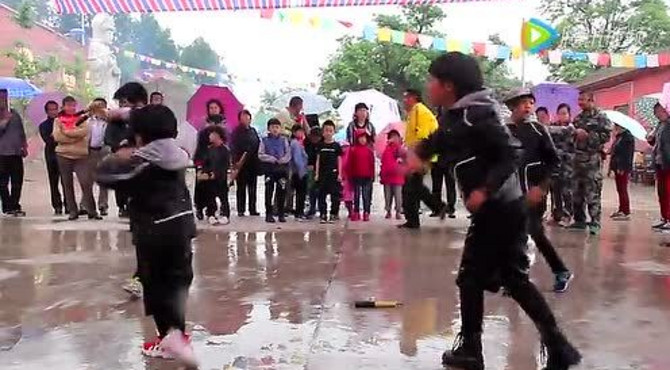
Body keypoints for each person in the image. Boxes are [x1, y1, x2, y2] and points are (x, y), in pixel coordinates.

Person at [413, 51, 580, 370]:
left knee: (489, 278)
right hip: (497, 210)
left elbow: (508, 155)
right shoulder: (457, 114)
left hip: (502, 209)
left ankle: (483, 350)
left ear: (448, 85)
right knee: (492, 279)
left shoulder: (481, 113)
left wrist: (484, 190)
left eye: (431, 80)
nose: (428, 85)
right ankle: (551, 348)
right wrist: (420, 152)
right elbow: (442, 138)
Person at [96, 104, 197, 367]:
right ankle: (178, 335)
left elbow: (106, 176)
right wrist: (129, 118)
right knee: (177, 283)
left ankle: (169, 338)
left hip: (155, 231)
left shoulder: (143, 162)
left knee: (156, 286)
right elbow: (155, 119)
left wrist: (119, 154)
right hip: (182, 228)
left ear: (140, 135)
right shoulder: (178, 153)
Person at [504, 88, 573, 293]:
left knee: (534, 230)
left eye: (530, 102)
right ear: (512, 107)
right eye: (523, 102)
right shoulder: (503, 132)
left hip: (534, 192)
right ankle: (517, 277)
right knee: (514, 234)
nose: (528, 106)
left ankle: (561, 271)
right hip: (511, 192)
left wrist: (541, 187)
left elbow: (554, 162)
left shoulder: (538, 130)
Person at [400, 88, 447, 229]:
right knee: (414, 188)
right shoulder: (414, 112)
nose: (404, 100)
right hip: (417, 156)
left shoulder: (419, 110)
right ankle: (417, 217)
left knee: (412, 188)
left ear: (413, 97)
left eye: (406, 97)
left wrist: (417, 156)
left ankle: (437, 207)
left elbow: (423, 134)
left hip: (421, 156)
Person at [569, 91, 612, 235]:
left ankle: (595, 222)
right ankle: (579, 220)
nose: (580, 102)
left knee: (592, 191)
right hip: (577, 159)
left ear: (591, 100)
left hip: (592, 159)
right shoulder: (578, 118)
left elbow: (606, 137)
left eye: (583, 99)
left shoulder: (601, 117)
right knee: (576, 191)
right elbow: (571, 137)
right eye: (579, 99)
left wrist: (588, 136)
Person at [53, 96, 101, 221]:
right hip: (63, 155)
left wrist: (67, 132)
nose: (71, 108)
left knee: (86, 183)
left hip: (81, 155)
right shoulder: (58, 120)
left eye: (73, 105)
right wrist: (72, 134)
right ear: (63, 107)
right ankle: (72, 211)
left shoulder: (82, 119)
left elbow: (83, 132)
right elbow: (58, 137)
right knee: (67, 184)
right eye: (68, 105)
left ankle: (92, 210)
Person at [107, 81, 148, 218]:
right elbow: (109, 136)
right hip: (122, 156)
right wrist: (120, 146)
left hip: (144, 157)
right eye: (120, 102)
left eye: (125, 102)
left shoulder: (151, 116)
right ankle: (122, 206)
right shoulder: (116, 119)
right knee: (122, 182)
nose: (122, 105)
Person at [193, 99, 225, 220]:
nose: (213, 110)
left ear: (220, 109)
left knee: (216, 185)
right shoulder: (203, 128)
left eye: (215, 107)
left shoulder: (225, 127)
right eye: (211, 108)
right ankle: (199, 208)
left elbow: (227, 145)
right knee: (201, 185)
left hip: (218, 161)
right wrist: (199, 163)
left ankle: (213, 210)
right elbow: (199, 146)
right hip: (204, 159)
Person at [0, 89, 27, 216]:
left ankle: (15, 205)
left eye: (5, 98)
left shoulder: (15, 113)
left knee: (17, 181)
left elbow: (21, 131)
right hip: (2, 154)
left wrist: (24, 145)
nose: (3, 101)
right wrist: (4, 121)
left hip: (16, 153)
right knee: (2, 183)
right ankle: (7, 206)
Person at [196, 125, 230, 225]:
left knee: (223, 197)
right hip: (210, 179)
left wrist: (215, 174)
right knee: (210, 196)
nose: (210, 136)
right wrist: (203, 172)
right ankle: (211, 214)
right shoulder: (208, 149)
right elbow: (204, 162)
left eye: (213, 134)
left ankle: (225, 215)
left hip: (221, 178)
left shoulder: (225, 150)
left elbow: (225, 166)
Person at [259, 118, 291, 223]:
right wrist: (271, 158)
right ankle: (269, 214)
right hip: (269, 169)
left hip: (282, 170)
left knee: (281, 191)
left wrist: (283, 160)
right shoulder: (264, 140)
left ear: (280, 129)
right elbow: (260, 154)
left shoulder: (284, 140)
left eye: (277, 127)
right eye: (273, 127)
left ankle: (281, 214)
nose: (275, 129)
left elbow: (288, 154)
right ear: (268, 128)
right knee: (269, 191)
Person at [548, 103, 575, 226]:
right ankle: (556, 214)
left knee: (566, 191)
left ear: (569, 115)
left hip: (567, 164)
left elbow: (565, 133)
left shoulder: (571, 128)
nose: (562, 116)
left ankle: (567, 215)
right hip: (555, 164)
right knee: (555, 191)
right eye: (560, 113)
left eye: (564, 113)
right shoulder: (552, 126)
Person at [231, 110, 260, 217]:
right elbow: (233, 147)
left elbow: (257, 143)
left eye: (248, 118)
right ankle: (241, 209)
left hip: (253, 163)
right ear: (240, 119)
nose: (246, 120)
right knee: (241, 187)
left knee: (253, 187)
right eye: (243, 118)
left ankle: (253, 209)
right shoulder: (236, 132)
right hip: (241, 163)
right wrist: (235, 162)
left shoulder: (253, 131)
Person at [39, 100, 65, 215]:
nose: (54, 112)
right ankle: (57, 205)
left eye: (56, 109)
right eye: (51, 110)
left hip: (64, 154)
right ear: (47, 112)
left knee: (66, 181)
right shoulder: (44, 125)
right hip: (51, 155)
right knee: (53, 182)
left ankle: (69, 204)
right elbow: (48, 140)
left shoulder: (63, 122)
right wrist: (59, 137)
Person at [431, 106, 457, 218]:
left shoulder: (454, 123)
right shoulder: (434, 121)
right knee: (437, 185)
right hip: (438, 158)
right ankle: (438, 208)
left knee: (449, 184)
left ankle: (450, 207)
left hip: (449, 158)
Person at [315, 120, 343, 224]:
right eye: (326, 130)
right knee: (321, 195)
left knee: (335, 195)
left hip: (334, 173)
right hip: (322, 174)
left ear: (334, 132)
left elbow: (339, 160)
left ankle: (333, 214)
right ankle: (323, 214)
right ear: (323, 132)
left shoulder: (336, 146)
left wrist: (340, 173)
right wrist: (317, 173)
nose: (328, 132)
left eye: (330, 130)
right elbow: (317, 160)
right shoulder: (320, 145)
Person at [648, 102, 670, 230]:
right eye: (655, 112)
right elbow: (657, 143)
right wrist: (651, 139)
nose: (657, 115)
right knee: (661, 192)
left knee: (668, 191)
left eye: (659, 111)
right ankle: (664, 217)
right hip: (659, 162)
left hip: (668, 162)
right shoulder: (659, 125)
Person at [87, 98, 110, 216]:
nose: (99, 109)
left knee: (104, 177)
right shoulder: (88, 120)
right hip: (90, 150)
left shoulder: (110, 120)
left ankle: (103, 205)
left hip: (105, 150)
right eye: (97, 106)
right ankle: (86, 204)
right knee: (88, 178)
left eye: (102, 106)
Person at [347, 129, 375, 221]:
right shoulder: (353, 150)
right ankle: (356, 212)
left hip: (367, 176)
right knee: (356, 195)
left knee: (366, 195)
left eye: (364, 137)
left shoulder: (369, 150)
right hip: (356, 176)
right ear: (357, 138)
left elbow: (372, 164)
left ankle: (366, 212)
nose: (363, 139)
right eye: (360, 137)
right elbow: (350, 163)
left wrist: (372, 175)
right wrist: (349, 175)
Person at [609, 124, 635, 220]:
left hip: (622, 167)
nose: (615, 129)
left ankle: (626, 211)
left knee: (623, 188)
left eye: (617, 127)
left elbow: (626, 155)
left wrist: (622, 167)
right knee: (619, 189)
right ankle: (621, 208)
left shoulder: (627, 138)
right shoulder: (619, 137)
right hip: (616, 166)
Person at [380, 129, 406, 220]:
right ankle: (388, 210)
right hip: (387, 176)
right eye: (391, 137)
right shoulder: (386, 148)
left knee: (398, 196)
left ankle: (398, 211)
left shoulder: (400, 148)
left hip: (397, 176)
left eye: (395, 137)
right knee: (388, 196)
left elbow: (404, 157)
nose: (393, 139)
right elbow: (383, 161)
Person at [289, 124, 309, 220]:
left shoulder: (298, 143)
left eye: (302, 131)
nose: (301, 133)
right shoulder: (295, 144)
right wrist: (302, 172)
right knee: (300, 193)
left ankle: (299, 212)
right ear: (294, 132)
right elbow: (297, 159)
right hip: (299, 172)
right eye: (299, 131)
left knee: (300, 193)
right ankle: (299, 212)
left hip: (299, 171)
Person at [305, 126, 322, 218]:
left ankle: (321, 208)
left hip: (321, 170)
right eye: (313, 137)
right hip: (310, 169)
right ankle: (312, 208)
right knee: (311, 189)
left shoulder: (323, 144)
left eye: (317, 137)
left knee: (320, 190)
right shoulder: (308, 144)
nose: (315, 139)